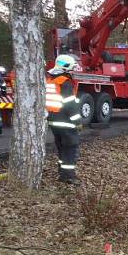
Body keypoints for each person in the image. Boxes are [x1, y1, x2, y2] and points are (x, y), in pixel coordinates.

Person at [46, 55, 83, 185]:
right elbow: (69, 104)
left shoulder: (50, 79)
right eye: (71, 68)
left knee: (62, 147)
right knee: (70, 147)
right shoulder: (64, 81)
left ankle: (62, 174)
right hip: (65, 121)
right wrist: (77, 121)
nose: (72, 71)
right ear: (65, 67)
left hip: (53, 120)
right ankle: (69, 176)